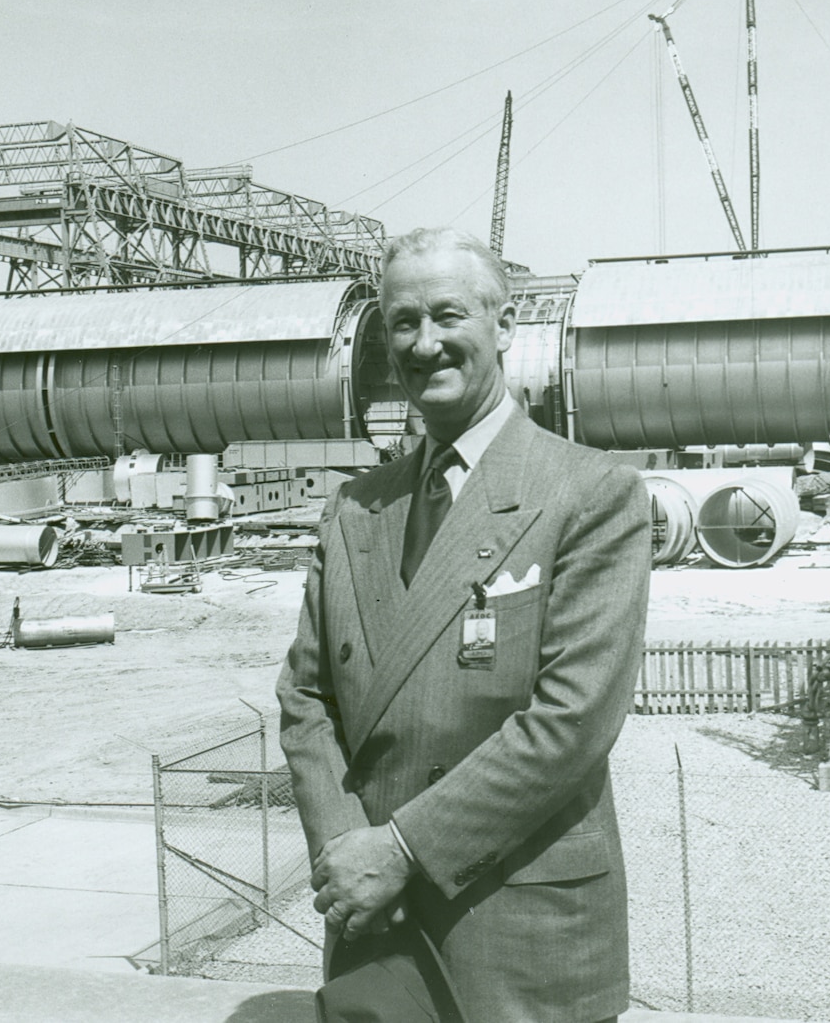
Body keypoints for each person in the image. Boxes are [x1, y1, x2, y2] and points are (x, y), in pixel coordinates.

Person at [276, 227, 651, 1023]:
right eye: (403, 322)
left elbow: (572, 722)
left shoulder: (590, 494)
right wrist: (350, 855)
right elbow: (307, 700)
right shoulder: (353, 510)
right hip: (377, 924)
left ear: (505, 326)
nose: (425, 343)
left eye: (449, 315)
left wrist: (402, 849)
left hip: (520, 932)